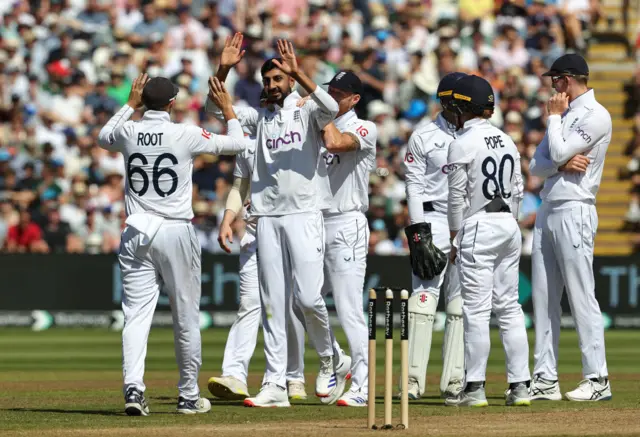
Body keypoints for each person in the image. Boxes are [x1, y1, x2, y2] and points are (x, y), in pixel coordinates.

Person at [97, 73, 246, 416]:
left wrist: (128, 106)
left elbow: (104, 137)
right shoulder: (185, 133)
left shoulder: (128, 131)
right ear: (171, 103)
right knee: (186, 317)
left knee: (135, 317)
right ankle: (188, 395)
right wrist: (229, 111)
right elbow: (236, 144)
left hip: (136, 231)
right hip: (175, 229)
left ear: (142, 100)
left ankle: (133, 389)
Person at [208, 36, 341, 407]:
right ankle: (275, 384)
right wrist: (224, 68)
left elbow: (330, 105)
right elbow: (218, 109)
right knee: (271, 305)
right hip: (266, 218)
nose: (271, 86)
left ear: (291, 82)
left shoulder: (307, 110)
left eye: (278, 80)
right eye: (267, 81)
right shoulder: (256, 117)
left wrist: (299, 71)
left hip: (304, 215)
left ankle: (331, 359)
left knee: (309, 299)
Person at [207, 91, 309, 402]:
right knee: (249, 302)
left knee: (290, 305)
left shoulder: (296, 134)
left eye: (271, 103)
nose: (267, 108)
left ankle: (294, 376)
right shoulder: (249, 143)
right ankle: (235, 375)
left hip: (286, 229)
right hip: (253, 231)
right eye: (263, 103)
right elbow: (241, 184)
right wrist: (228, 218)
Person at [528, 53, 612, 402]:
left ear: (567, 80)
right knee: (544, 298)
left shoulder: (595, 115)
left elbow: (558, 151)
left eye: (555, 81)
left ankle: (597, 379)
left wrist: (554, 121)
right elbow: (537, 165)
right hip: (550, 206)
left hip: (576, 207)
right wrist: (560, 164)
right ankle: (545, 379)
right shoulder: (566, 115)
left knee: (580, 295)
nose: (552, 88)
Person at [444, 74, 531, 407]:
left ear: (463, 108)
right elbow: (519, 188)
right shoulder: (506, 139)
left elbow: (455, 197)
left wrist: (455, 237)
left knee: (476, 311)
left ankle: (475, 388)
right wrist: (512, 220)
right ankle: (520, 386)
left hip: (478, 224)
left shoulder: (462, 142)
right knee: (509, 307)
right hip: (508, 223)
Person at [296, 70, 377, 406]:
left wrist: (317, 107)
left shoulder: (364, 127)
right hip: (315, 222)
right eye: (329, 91)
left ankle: (363, 384)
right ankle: (337, 357)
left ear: (354, 99)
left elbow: (335, 143)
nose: (331, 97)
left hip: (347, 224)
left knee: (348, 308)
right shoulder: (317, 122)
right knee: (301, 300)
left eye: (339, 94)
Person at [401, 72, 466, 400]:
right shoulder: (424, 135)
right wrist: (418, 233)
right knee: (424, 298)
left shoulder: (478, 134)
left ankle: (455, 381)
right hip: (435, 220)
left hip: (468, 222)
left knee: (459, 303)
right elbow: (413, 184)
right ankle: (412, 381)